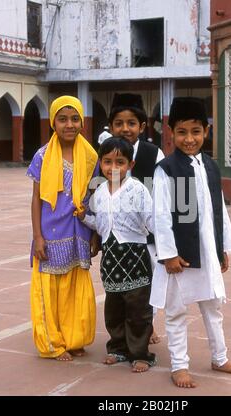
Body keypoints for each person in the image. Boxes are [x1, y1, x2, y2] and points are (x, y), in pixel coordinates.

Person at [150, 97, 231, 388]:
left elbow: (219, 210)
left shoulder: (210, 166)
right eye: (182, 132)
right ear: (170, 133)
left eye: (195, 131)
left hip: (207, 251)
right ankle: (179, 366)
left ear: (206, 131)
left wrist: (222, 248)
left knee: (213, 307)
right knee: (177, 311)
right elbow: (160, 216)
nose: (189, 139)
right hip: (180, 257)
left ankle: (220, 358)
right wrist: (168, 255)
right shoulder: (167, 169)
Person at [27, 95, 98, 362]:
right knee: (51, 288)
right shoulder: (43, 156)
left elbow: (94, 198)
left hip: (80, 230)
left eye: (75, 118)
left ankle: (75, 338)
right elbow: (36, 198)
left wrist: (94, 235)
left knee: (75, 286)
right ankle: (53, 342)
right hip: (49, 232)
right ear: (53, 123)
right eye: (63, 119)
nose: (69, 124)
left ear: (82, 122)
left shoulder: (91, 156)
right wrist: (37, 236)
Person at [78, 136, 156, 372]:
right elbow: (99, 223)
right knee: (114, 307)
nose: (113, 168)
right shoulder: (99, 192)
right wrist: (84, 217)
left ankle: (140, 353)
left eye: (120, 162)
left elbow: (153, 221)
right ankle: (118, 349)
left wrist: (169, 248)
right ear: (101, 163)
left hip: (135, 255)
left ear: (130, 165)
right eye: (108, 162)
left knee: (138, 308)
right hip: (111, 258)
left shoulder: (138, 190)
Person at [108, 92, 164, 344]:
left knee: (147, 284)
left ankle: (147, 326)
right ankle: (122, 333)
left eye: (131, 123)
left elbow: (165, 196)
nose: (125, 129)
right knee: (121, 287)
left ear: (142, 127)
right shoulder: (107, 153)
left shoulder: (154, 154)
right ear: (111, 126)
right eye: (119, 123)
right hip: (117, 237)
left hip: (148, 237)